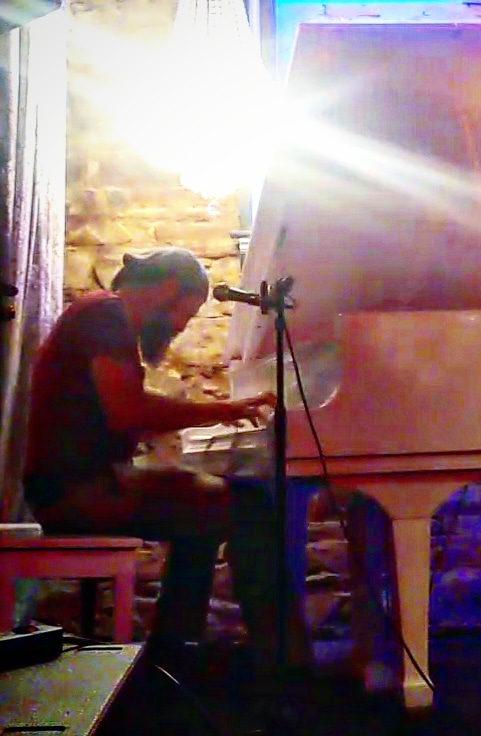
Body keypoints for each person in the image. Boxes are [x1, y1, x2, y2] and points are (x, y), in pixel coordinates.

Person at [22, 247, 313, 681]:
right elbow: (127, 411)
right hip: (78, 492)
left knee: (201, 516)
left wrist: (209, 417)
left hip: (76, 486)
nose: (180, 327)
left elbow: (122, 408)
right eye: (187, 313)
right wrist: (224, 410)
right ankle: (285, 667)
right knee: (249, 508)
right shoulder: (105, 315)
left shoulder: (100, 315)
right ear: (169, 289)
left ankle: (174, 657)